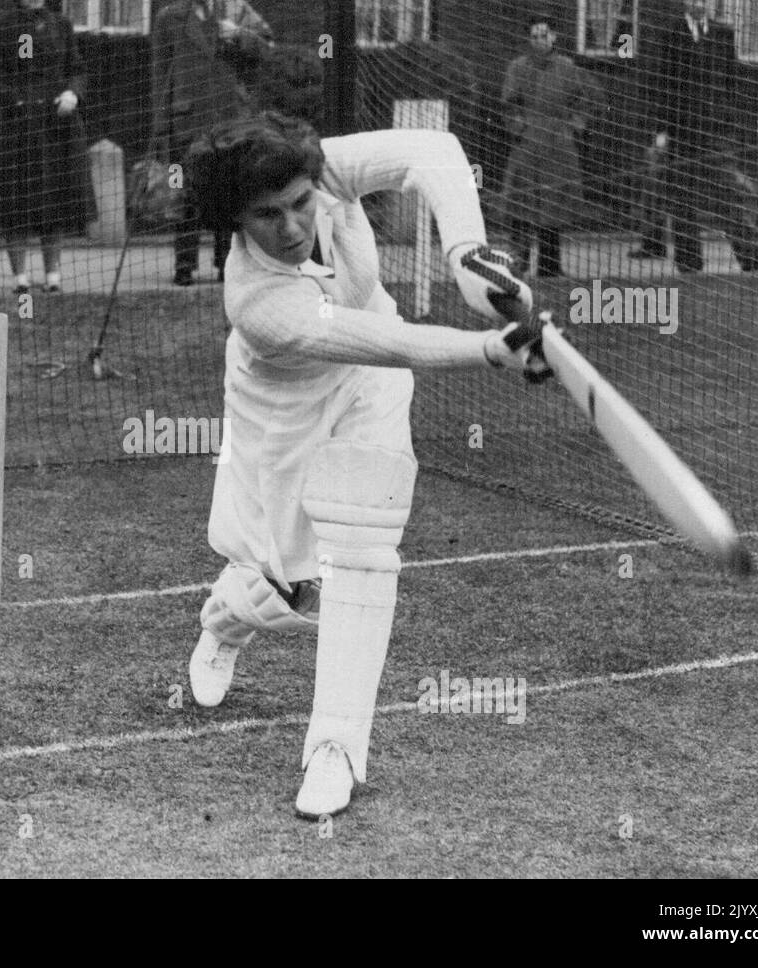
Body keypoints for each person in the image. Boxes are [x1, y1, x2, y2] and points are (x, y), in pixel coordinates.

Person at [182, 113, 551, 818]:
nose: (293, 225)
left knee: (361, 546)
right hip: (283, 404)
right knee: (284, 587)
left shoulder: (321, 167)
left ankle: (336, 748)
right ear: (233, 221)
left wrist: (468, 258)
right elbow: (385, 340)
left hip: (370, 386)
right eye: (267, 216)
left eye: (300, 204)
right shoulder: (256, 303)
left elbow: (433, 152)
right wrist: (487, 349)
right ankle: (225, 623)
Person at [627, 0, 758, 272]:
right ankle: (689, 262)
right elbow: (663, 85)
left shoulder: (723, 34)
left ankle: (752, 256)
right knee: (682, 200)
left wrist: (729, 123)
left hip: (714, 134)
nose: (699, 4)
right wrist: (661, 132)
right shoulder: (671, 34)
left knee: (731, 194)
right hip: (681, 132)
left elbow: (730, 82)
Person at [151, 0, 273, 286]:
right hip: (186, 120)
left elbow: (267, 50)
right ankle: (184, 266)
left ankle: (225, 265)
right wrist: (160, 127)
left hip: (229, 118)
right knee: (185, 194)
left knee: (227, 193)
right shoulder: (169, 18)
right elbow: (159, 74)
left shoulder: (237, 10)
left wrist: (239, 35)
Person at [0, 0, 93, 294]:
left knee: (54, 199)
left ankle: (53, 274)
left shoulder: (61, 25)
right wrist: (14, 100)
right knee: (17, 201)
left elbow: (77, 69)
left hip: (57, 123)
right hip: (20, 125)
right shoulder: (2, 26)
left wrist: (73, 93)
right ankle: (20, 277)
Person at [500, 14, 603, 277]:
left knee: (553, 207)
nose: (539, 41)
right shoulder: (518, 67)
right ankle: (518, 264)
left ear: (554, 38)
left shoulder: (567, 67)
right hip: (529, 144)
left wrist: (573, 127)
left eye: (544, 35)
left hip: (558, 144)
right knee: (523, 204)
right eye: (534, 36)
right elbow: (509, 105)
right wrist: (519, 128)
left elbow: (584, 101)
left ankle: (549, 266)